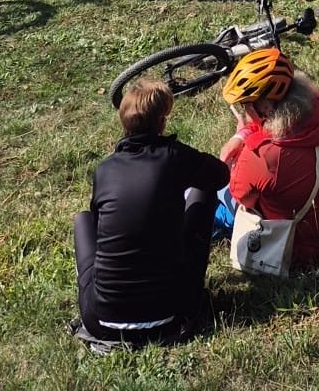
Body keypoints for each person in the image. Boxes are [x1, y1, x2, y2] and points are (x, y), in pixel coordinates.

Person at [74, 76, 229, 347]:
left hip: (101, 321)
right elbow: (220, 176)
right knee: (203, 192)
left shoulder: (104, 169)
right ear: (161, 122)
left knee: (83, 220)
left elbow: (99, 228)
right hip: (171, 315)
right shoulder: (174, 156)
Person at [219, 48, 319, 267]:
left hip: (310, 251)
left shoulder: (261, 155)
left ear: (265, 106)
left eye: (245, 105)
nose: (244, 112)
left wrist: (239, 142)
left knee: (217, 197)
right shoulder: (318, 105)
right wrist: (244, 133)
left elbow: (242, 196)